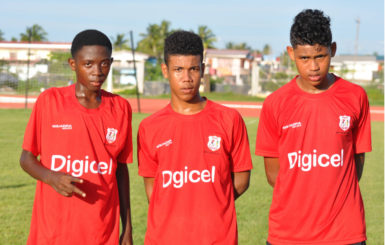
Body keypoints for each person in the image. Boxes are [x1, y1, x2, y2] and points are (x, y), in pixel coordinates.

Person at [255, 9, 371, 245]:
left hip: (345, 233)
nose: (313, 66)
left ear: (333, 50)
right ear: (291, 53)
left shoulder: (355, 97)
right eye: (304, 58)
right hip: (289, 234)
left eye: (320, 56)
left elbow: (356, 163)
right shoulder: (275, 103)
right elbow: (273, 174)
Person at [137, 30, 253, 245]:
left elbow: (242, 180)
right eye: (178, 69)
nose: (187, 78)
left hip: (217, 237)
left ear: (202, 69)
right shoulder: (149, 127)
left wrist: (212, 201)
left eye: (193, 69)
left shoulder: (229, 119)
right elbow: (153, 188)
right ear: (165, 70)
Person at [20, 29, 133, 245]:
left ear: (111, 63)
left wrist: (127, 228)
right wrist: (50, 177)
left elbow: (120, 170)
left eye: (104, 64)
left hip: (101, 230)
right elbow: (26, 159)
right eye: (88, 64)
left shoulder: (120, 108)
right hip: (53, 230)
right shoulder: (50, 101)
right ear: (73, 64)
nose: (97, 71)